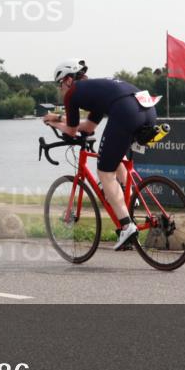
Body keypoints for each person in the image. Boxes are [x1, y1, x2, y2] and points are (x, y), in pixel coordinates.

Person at [42, 59, 158, 250]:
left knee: (105, 173)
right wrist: (61, 119)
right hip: (147, 109)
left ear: (69, 80)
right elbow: (88, 127)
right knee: (116, 156)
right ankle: (130, 197)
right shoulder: (94, 91)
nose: (60, 88)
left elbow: (71, 131)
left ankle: (127, 226)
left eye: (60, 83)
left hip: (126, 111)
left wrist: (52, 122)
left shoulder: (72, 93)